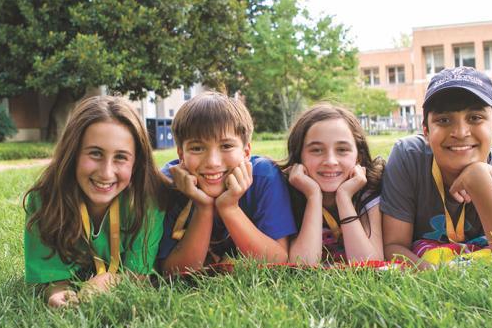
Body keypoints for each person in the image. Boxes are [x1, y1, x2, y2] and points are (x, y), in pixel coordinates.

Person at [381, 67, 492, 268]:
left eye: (475, 118)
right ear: (426, 132)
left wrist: (480, 182)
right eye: (443, 120)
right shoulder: (408, 157)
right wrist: (433, 276)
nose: (460, 132)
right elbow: (394, 245)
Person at [24, 96, 168, 307]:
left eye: (121, 157)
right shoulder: (45, 199)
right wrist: (57, 293)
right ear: (73, 153)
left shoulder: (147, 199)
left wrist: (109, 281)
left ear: (136, 163)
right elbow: (54, 280)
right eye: (95, 153)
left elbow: (138, 276)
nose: (106, 172)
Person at [159, 92, 296, 274]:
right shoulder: (168, 182)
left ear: (246, 152)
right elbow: (173, 272)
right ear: (181, 154)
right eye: (197, 148)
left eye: (226, 146)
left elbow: (276, 261)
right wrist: (203, 207)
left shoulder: (264, 176)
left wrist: (229, 207)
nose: (213, 162)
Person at [281, 104, 385, 265]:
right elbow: (303, 265)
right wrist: (313, 196)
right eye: (316, 150)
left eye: (342, 150)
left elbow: (369, 264)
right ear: (299, 155)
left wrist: (344, 197)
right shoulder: (286, 190)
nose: (330, 161)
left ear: (359, 156)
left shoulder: (369, 189)